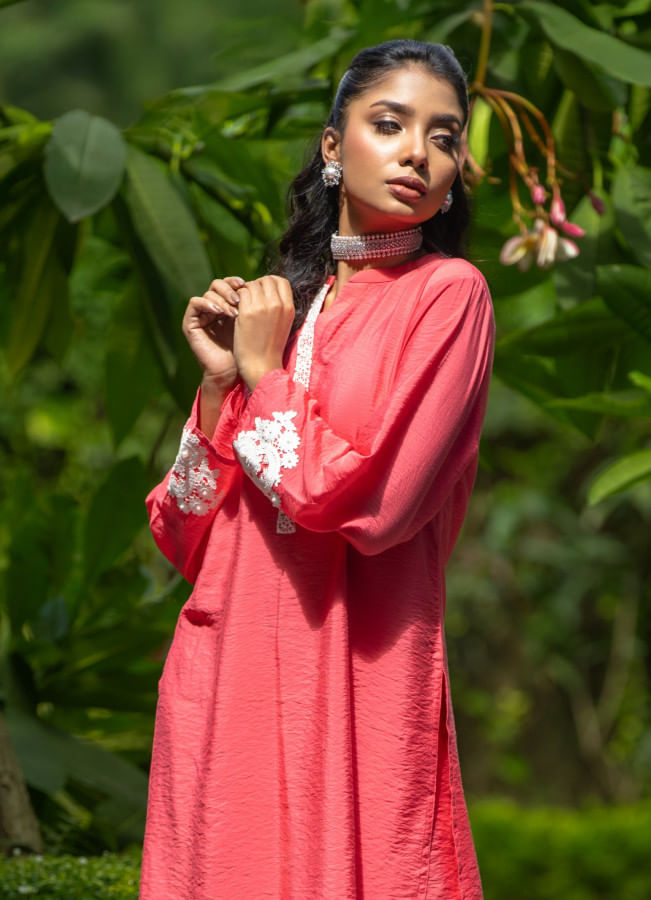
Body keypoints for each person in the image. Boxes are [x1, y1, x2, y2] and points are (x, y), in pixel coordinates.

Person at [140, 39, 494, 900]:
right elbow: (184, 534)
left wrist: (264, 375)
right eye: (389, 124)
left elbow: (374, 505)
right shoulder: (288, 310)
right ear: (333, 146)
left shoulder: (448, 295)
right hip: (229, 676)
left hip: (354, 678)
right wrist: (220, 384)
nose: (417, 153)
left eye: (442, 137)